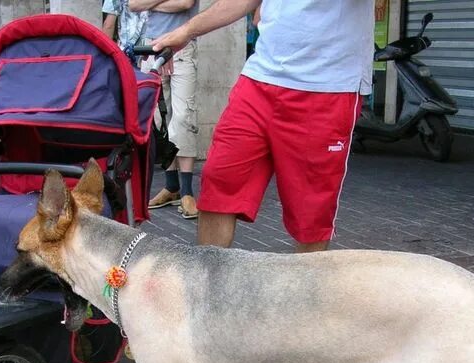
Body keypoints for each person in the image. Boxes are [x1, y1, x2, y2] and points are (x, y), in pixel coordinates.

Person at [152, 0, 377, 251]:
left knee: (310, 210)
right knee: (220, 179)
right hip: (259, 79)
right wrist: (186, 31)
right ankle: (208, 284)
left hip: (326, 87)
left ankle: (302, 290)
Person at [131, 0, 200, 219]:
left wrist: (150, 4)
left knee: (183, 117)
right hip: (151, 48)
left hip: (182, 46)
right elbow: (133, 4)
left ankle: (187, 191)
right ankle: (172, 187)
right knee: (159, 121)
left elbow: (184, 3)